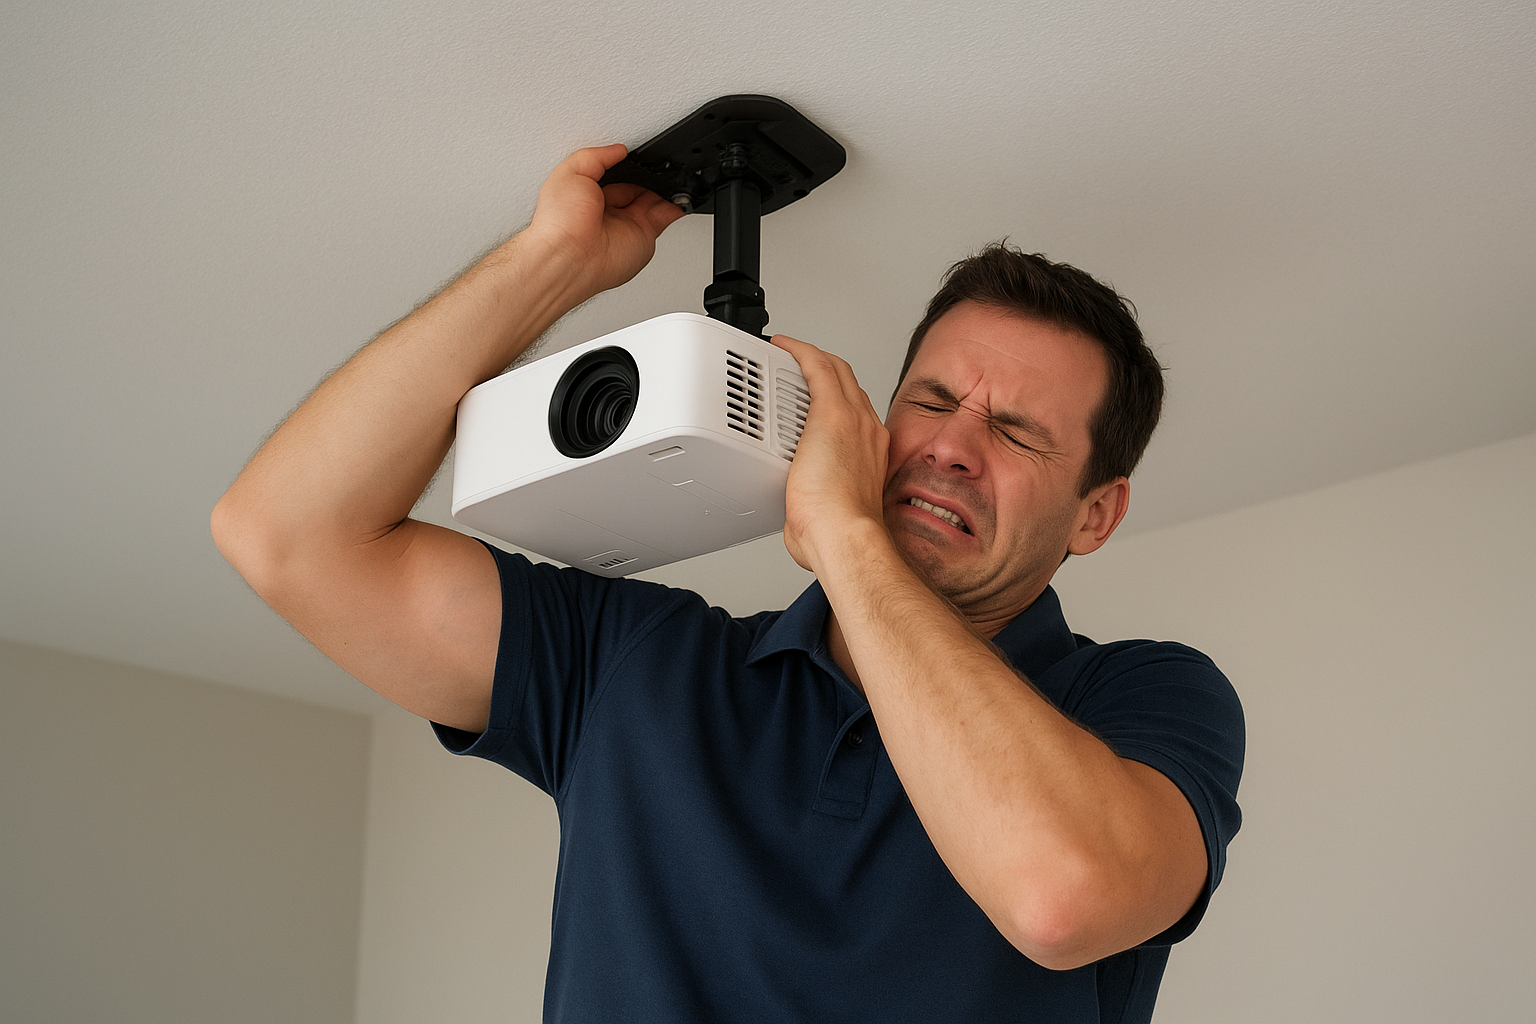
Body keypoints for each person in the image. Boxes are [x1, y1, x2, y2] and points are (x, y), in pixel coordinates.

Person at [212, 144, 1243, 1022]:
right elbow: (286, 535)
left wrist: (843, 534)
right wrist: (553, 263)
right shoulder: (639, 663)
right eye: (930, 400)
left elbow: (1059, 897)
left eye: (1015, 430)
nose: (952, 448)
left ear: (1097, 512)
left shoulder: (1143, 703)